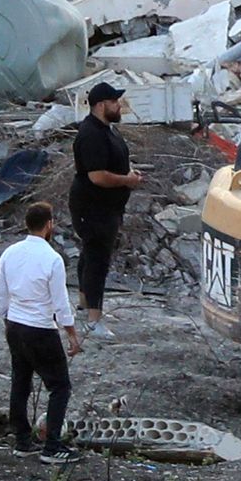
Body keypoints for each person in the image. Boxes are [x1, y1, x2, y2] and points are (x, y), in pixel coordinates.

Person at [0, 200, 78, 456]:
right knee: (60, 386)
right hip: (40, 328)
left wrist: (7, 321)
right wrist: (72, 335)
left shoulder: (10, 253)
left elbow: (2, 295)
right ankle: (52, 446)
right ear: (49, 225)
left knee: (20, 381)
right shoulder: (52, 259)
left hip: (15, 324)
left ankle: (22, 440)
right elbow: (60, 303)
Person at [68, 81, 140, 324]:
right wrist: (126, 181)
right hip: (92, 206)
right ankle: (93, 319)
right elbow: (97, 176)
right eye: (114, 102)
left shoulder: (107, 129)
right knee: (98, 259)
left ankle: (83, 303)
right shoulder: (91, 134)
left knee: (90, 253)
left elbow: (113, 161)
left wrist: (129, 172)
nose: (119, 106)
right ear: (101, 105)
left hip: (107, 206)